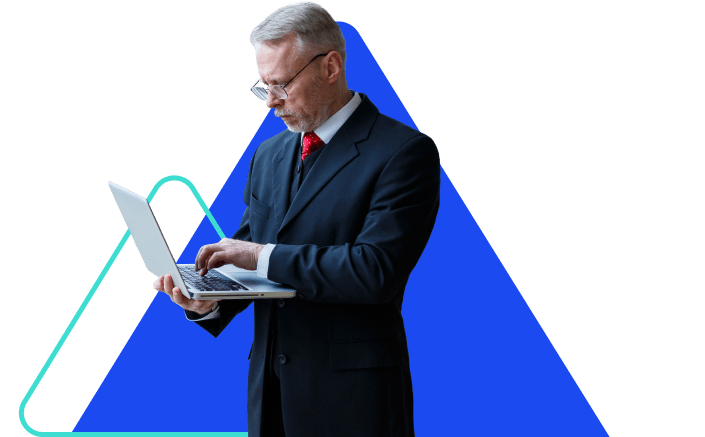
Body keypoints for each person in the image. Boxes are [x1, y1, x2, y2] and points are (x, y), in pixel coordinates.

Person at [153, 3, 440, 436]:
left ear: (331, 67)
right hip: (270, 398)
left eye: (282, 85)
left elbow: (375, 270)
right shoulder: (270, 155)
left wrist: (260, 255)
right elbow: (246, 259)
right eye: (263, 86)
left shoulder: (404, 153)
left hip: (353, 404)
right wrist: (208, 301)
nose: (270, 102)